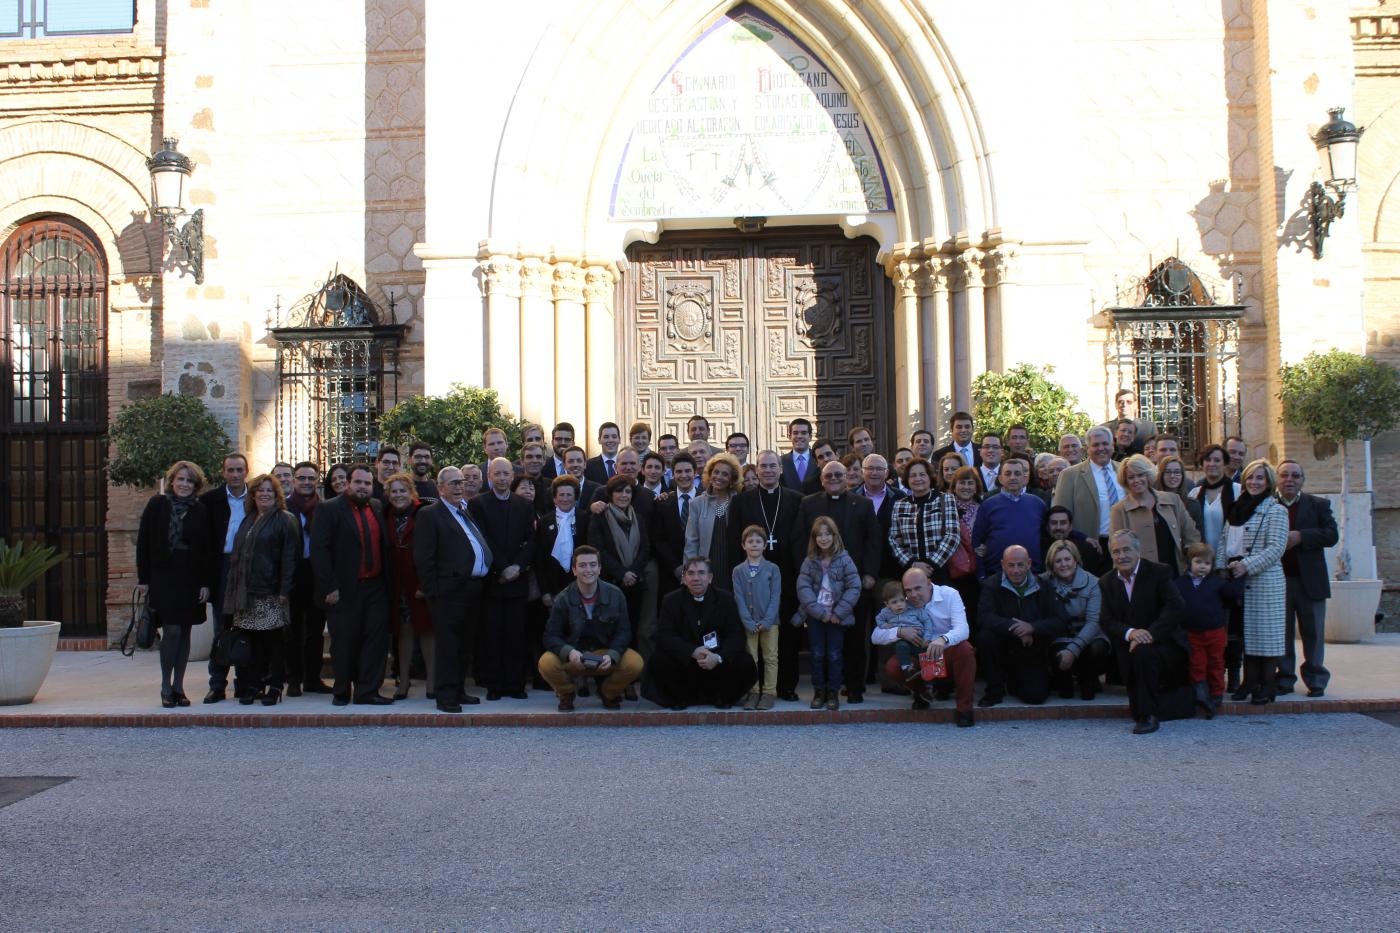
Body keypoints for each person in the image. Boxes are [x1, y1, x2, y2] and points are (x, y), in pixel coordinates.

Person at [793, 459, 881, 701]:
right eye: (829, 475)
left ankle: (854, 687)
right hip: (819, 585)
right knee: (821, 645)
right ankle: (823, 690)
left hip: (855, 584)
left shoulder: (863, 504)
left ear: (848, 477)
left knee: (854, 640)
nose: (834, 479)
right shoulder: (809, 503)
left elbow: (873, 541)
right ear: (821, 479)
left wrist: (870, 574)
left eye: (838, 475)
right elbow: (800, 540)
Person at [311, 464, 393, 706]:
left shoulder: (377, 507)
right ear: (347, 483)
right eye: (358, 483)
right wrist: (330, 587)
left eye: (367, 484)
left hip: (376, 586)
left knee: (375, 641)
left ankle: (368, 691)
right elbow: (319, 551)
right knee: (344, 642)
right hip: (344, 589)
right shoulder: (328, 509)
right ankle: (342, 690)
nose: (363, 487)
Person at [726, 449, 804, 701]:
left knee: (786, 636)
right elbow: (733, 541)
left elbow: (802, 542)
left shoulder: (796, 499)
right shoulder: (741, 501)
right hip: (751, 578)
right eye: (763, 466)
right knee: (752, 636)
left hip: (787, 577)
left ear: (781, 469)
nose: (768, 470)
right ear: (756, 469)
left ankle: (785, 686)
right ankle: (753, 686)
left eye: (773, 466)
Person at [412, 466, 491, 712]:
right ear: (440, 488)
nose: (460, 487)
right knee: (448, 645)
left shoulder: (465, 511)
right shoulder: (430, 514)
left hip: (472, 589)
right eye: (454, 483)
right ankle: (445, 695)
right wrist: (433, 590)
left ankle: (459, 690)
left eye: (462, 482)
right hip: (448, 592)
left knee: (465, 644)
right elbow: (423, 557)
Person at [136, 461, 213, 708]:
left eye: (189, 481)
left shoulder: (201, 511)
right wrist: (144, 579)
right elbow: (143, 543)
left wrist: (205, 582)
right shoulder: (157, 505)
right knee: (172, 631)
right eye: (180, 479)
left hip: (190, 578)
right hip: (163, 577)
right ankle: (165, 685)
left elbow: (205, 551)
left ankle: (179, 687)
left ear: (196, 485)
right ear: (172, 481)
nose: (184, 484)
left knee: (186, 631)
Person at [1098, 529, 1190, 734]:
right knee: (1134, 708)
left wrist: (1148, 635)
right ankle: (1146, 710)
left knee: (1143, 652)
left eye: (1126, 550)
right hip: (1129, 647)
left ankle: (1150, 716)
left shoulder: (1159, 572)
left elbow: (1176, 607)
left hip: (1165, 643)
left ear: (1137, 551)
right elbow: (1106, 620)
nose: (1121, 556)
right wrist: (1131, 633)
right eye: (1116, 551)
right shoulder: (1106, 581)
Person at [225, 473, 301, 705]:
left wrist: (283, 591)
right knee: (252, 642)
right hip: (245, 592)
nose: (265, 494)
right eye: (261, 490)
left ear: (276, 494)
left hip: (270, 592)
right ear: (254, 495)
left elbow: (291, 558)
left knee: (273, 643)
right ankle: (253, 684)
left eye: (270, 490)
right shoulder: (249, 519)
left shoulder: (285, 519)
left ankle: (276, 685)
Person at [539, 545, 644, 711]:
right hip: (575, 656)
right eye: (582, 565)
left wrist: (612, 655)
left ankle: (608, 693)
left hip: (604, 655)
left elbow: (624, 633)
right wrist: (569, 652)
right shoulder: (563, 598)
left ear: (600, 568)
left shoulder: (616, 595)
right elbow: (550, 636)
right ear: (574, 570)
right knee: (546, 663)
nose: (588, 570)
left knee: (635, 663)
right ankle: (566, 693)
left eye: (593, 565)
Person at [1218, 459, 1289, 705]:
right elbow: (1224, 542)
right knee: (1244, 635)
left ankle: (1266, 685)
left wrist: (1246, 565)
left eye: (1259, 478)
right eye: (1250, 477)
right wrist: (1220, 569)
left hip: (1264, 581)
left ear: (1268, 482)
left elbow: (1276, 548)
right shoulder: (1237, 509)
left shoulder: (1276, 510)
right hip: (1236, 581)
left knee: (1266, 638)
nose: (1254, 482)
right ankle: (1249, 682)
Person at [644, 557, 757, 710]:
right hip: (685, 664)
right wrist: (692, 651)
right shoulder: (671, 601)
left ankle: (722, 698)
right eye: (690, 573)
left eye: (701, 573)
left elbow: (736, 636)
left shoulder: (725, 599)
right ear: (684, 578)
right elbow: (664, 635)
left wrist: (717, 657)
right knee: (658, 660)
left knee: (745, 663)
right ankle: (680, 698)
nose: (696, 578)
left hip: (715, 665)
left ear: (710, 578)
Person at [469, 457, 538, 700]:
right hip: (493, 581)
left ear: (512, 475)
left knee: (516, 635)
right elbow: (482, 539)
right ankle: (495, 686)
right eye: (496, 474)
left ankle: (515, 685)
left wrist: (518, 565)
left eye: (505, 474)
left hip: (517, 580)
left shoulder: (524, 504)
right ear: (489, 476)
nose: (501, 478)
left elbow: (532, 540)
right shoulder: (478, 504)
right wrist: (503, 568)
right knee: (493, 635)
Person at [873, 567, 976, 725]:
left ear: (929, 583)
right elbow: (875, 636)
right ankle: (921, 694)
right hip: (919, 655)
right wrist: (900, 631)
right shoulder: (902, 603)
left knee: (965, 649)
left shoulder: (949, 594)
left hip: (946, 653)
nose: (913, 595)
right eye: (908, 590)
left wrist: (943, 639)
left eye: (917, 588)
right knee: (893, 666)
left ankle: (964, 709)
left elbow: (963, 629)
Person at [1274, 460, 1339, 697]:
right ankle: (1284, 677)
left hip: (1310, 581)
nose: (1289, 479)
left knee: (1313, 633)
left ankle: (1316, 678)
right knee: (1282, 632)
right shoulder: (1268, 505)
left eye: (1295, 475)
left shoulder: (1318, 505)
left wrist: (1302, 536)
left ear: (1302, 480)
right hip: (1278, 582)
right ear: (1277, 479)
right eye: (1284, 475)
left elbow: (1332, 535)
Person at [975, 545, 1067, 706]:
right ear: (1003, 564)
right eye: (1011, 565)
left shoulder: (1043, 586)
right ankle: (994, 689)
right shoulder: (991, 585)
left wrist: (1032, 628)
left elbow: (1060, 620)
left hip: (1031, 648)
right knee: (985, 637)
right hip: (1002, 646)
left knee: (1036, 697)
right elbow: (984, 618)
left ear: (1029, 563)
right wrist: (1016, 628)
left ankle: (1015, 681)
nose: (1016, 570)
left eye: (1020, 565)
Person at [793, 516, 861, 711]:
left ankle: (833, 692)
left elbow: (854, 586)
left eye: (827, 534)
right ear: (814, 538)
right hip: (816, 616)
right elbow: (803, 588)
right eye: (819, 535)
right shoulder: (810, 561)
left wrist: (838, 613)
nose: (823, 538)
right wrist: (819, 613)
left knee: (834, 654)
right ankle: (819, 691)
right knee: (816, 653)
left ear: (834, 536)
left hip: (836, 617)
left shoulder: (844, 559)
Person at [1173, 542, 1246, 716]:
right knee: (1197, 664)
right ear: (1190, 562)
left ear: (1212, 566)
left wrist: (1240, 576)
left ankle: (1216, 693)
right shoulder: (1180, 583)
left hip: (1215, 632)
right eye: (1198, 562)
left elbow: (1233, 593)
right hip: (1192, 632)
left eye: (1207, 564)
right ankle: (1200, 693)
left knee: (1216, 663)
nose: (1202, 567)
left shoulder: (1216, 582)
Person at [199, 452, 249, 704]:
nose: (235, 474)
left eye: (239, 470)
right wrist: (205, 581)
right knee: (222, 629)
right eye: (230, 470)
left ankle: (244, 682)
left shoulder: (258, 498)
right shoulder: (210, 501)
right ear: (223, 472)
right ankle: (217, 684)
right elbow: (204, 544)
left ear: (246, 472)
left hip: (249, 570)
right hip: (222, 567)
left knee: (246, 627)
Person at [382, 472, 434, 701]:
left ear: (411, 492)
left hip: (421, 582)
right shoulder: (385, 514)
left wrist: (427, 582)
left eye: (403, 490)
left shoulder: (424, 513)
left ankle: (432, 682)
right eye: (394, 491)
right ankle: (403, 681)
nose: (398, 495)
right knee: (404, 632)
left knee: (428, 630)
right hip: (397, 584)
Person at [589, 473, 650, 656]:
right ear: (610, 494)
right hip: (610, 583)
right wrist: (621, 573)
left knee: (631, 628)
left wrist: (633, 572)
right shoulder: (599, 517)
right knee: (609, 631)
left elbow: (645, 548)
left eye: (628, 492)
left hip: (635, 583)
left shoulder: (637, 517)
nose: (624, 495)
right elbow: (598, 550)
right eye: (619, 491)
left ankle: (629, 675)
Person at [1109, 454, 1200, 576]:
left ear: (1148, 475)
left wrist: (1192, 564)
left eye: (1140, 475)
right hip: (1141, 577)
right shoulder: (1119, 510)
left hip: (1175, 573)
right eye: (1131, 477)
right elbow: (1117, 550)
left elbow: (1191, 536)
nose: (1136, 480)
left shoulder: (1173, 500)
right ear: (1125, 481)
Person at [1042, 539, 1110, 700]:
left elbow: (1094, 622)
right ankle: (1063, 679)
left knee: (1097, 649)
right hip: (1060, 636)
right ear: (1051, 564)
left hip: (1089, 635)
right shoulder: (1044, 582)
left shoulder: (1093, 583)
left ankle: (1089, 677)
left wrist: (1073, 650)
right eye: (1058, 561)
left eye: (1067, 559)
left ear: (1076, 560)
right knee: (1065, 694)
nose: (1063, 564)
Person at [285, 461, 328, 695]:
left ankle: (313, 678)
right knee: (293, 629)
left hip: (316, 572)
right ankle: (293, 679)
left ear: (317, 481)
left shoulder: (322, 508)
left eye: (311, 478)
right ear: (293, 481)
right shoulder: (285, 508)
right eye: (302, 478)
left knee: (315, 629)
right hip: (293, 572)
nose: (306, 482)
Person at [732, 524, 782, 710]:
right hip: (749, 623)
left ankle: (769, 692)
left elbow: (776, 596)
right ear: (743, 545)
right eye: (750, 541)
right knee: (750, 657)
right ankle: (752, 692)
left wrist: (767, 621)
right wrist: (748, 621)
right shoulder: (738, 571)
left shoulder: (772, 569)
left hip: (770, 623)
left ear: (764, 545)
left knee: (770, 657)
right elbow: (739, 598)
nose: (754, 544)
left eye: (758, 541)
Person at [972, 456, 1045, 577]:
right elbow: (977, 541)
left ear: (1024, 478)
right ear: (1000, 478)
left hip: (1033, 573)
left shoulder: (1038, 503)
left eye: (1017, 474)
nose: (1013, 477)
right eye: (1008, 473)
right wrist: (981, 574)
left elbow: (1048, 535)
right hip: (996, 574)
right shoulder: (988, 505)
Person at [1052, 426, 1124, 550]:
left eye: (1105, 444)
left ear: (1112, 446)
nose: (1101, 448)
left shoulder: (1125, 470)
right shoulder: (1070, 475)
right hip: (1089, 546)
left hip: (1123, 544)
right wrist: (1080, 540)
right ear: (1087, 448)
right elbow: (1060, 516)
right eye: (1096, 445)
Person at [888, 457, 959, 579]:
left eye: (922, 474)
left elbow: (952, 535)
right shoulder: (899, 505)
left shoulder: (946, 499)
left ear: (930, 477)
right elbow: (894, 540)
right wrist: (912, 564)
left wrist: (930, 565)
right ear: (907, 479)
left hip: (939, 571)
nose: (918, 479)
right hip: (911, 572)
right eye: (913, 475)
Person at [684, 452, 742, 586]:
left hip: (732, 568)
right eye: (716, 472)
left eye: (725, 474)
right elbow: (691, 542)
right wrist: (691, 572)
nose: (719, 477)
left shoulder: (739, 502)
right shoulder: (696, 503)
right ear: (710, 475)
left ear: (732, 479)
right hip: (705, 569)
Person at [652, 453, 698, 599]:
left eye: (687, 471)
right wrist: (676, 567)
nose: (683, 475)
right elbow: (658, 539)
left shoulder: (706, 499)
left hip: (701, 570)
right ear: (672, 474)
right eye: (678, 471)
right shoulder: (663, 502)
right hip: (671, 573)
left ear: (695, 473)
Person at [946, 465, 984, 633]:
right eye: (962, 483)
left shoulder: (983, 508)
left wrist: (986, 546)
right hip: (952, 570)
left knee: (974, 613)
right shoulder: (945, 507)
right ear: (954, 486)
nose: (966, 487)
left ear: (977, 487)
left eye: (970, 483)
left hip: (976, 570)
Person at [875, 579, 939, 677]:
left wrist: (927, 637)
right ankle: (907, 668)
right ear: (887, 604)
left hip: (919, 640)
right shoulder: (885, 612)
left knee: (928, 651)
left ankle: (933, 676)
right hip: (903, 641)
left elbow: (927, 621)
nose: (899, 604)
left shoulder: (914, 609)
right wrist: (885, 626)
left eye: (902, 600)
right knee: (900, 647)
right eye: (894, 602)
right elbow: (878, 619)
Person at [1041, 505, 1106, 577]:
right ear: (1047, 527)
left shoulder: (1087, 550)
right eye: (1054, 523)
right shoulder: (1039, 549)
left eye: (1063, 523)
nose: (1058, 527)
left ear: (1070, 527)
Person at [1156, 455, 1201, 535]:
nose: (1172, 476)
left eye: (1177, 472)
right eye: (1168, 472)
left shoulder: (1193, 505)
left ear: (1182, 475)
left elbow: (1198, 536)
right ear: (1161, 475)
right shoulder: (1153, 502)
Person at [1098, 389, 1153, 454]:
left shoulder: (1149, 428)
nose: (1124, 404)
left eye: (1129, 402)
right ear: (1116, 405)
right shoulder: (1104, 429)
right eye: (1120, 402)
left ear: (1135, 405)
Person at [779, 417, 815, 491]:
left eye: (803, 433)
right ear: (790, 437)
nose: (799, 436)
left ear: (810, 437)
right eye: (795, 433)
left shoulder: (818, 459)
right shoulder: (780, 461)